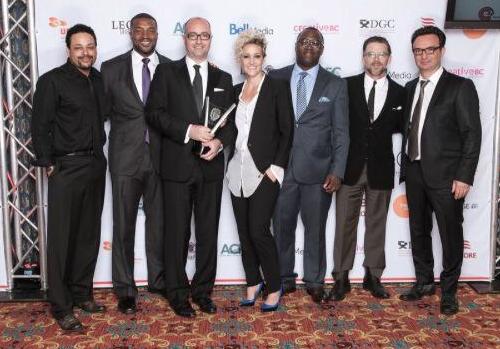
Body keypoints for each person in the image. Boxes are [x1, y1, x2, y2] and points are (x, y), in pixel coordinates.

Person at [146, 17, 236, 317]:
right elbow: (154, 114)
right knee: (177, 235)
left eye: (205, 36)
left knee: (208, 234)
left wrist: (219, 143)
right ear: (184, 39)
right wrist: (189, 130)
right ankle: (178, 294)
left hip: (210, 168)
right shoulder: (166, 72)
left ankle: (202, 292)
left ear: (211, 39)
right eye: (193, 36)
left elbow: (230, 124)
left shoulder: (222, 78)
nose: (199, 41)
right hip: (177, 167)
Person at [399, 26, 481, 315]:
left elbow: (472, 134)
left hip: (447, 177)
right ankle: (424, 282)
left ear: (442, 51)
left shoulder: (460, 87)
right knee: (419, 231)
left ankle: (449, 292)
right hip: (414, 171)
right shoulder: (410, 88)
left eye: (430, 49)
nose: (424, 55)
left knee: (449, 234)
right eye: (418, 50)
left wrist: (464, 176)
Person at [31, 24, 107, 331]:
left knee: (88, 235)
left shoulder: (99, 79)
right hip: (66, 167)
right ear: (68, 50)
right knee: (62, 239)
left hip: (95, 165)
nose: (85, 52)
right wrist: (49, 163)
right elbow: (40, 126)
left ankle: (81, 293)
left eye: (90, 46)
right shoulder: (51, 81)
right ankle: (61, 306)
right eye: (79, 47)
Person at [270, 27, 349, 303]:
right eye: (304, 41)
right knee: (282, 225)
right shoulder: (275, 76)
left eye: (315, 42)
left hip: (318, 172)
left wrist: (337, 171)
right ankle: (283, 277)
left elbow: (341, 133)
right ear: (296, 44)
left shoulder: (335, 84)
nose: (309, 46)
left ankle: (315, 281)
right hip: (280, 168)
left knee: (315, 230)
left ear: (322, 49)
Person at [101, 13, 170, 315]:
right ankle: (125, 289)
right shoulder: (110, 69)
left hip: (161, 158)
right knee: (123, 225)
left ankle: (157, 279)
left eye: (150, 29)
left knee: (159, 225)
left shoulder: (170, 67)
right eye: (139, 30)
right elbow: (98, 114)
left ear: (157, 33)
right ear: (130, 33)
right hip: (124, 159)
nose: (145, 35)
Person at [329, 36, 405, 301]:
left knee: (377, 224)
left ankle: (373, 276)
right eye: (371, 54)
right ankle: (341, 277)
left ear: (389, 58)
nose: (376, 59)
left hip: (381, 169)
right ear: (363, 57)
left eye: (381, 54)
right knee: (343, 225)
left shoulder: (400, 92)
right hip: (348, 168)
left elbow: (401, 128)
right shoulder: (345, 86)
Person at [228, 30, 294, 312]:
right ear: (239, 60)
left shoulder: (277, 86)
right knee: (244, 233)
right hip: (236, 170)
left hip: (265, 171)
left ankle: (275, 285)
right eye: (246, 56)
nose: (252, 61)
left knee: (258, 230)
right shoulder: (235, 91)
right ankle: (253, 282)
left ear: (263, 58)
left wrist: (276, 168)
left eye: (257, 56)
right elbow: (230, 130)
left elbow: (287, 130)